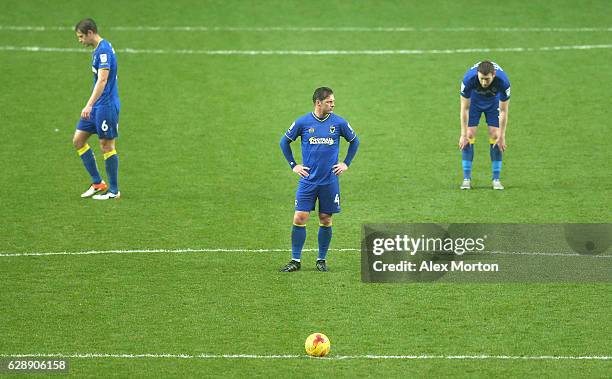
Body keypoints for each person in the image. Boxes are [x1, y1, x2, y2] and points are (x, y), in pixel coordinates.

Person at [279, 87, 360, 272]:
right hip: (308, 181)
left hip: (329, 181)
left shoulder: (339, 123)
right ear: (318, 103)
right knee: (300, 217)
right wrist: (294, 165)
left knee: (325, 218)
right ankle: (295, 260)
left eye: (333, 101)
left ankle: (321, 260)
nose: (333, 104)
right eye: (329, 101)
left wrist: (346, 163)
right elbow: (284, 141)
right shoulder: (303, 122)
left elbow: (355, 141)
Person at [72, 18, 121, 200]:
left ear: (90, 33)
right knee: (78, 140)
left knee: (106, 145)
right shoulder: (100, 49)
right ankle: (98, 182)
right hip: (97, 106)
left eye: (81, 36)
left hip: (105, 105)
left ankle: (114, 191)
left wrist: (89, 105)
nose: (80, 40)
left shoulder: (104, 52)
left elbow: (102, 80)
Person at [459, 61, 510, 190]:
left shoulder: (503, 82)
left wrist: (502, 135)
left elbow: (504, 110)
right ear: (477, 74)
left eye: (487, 79)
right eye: (481, 79)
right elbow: (464, 109)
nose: (484, 83)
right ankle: (466, 179)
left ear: (493, 74)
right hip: (474, 102)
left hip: (493, 102)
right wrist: (463, 134)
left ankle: (496, 179)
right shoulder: (469, 79)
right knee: (469, 135)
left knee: (496, 135)